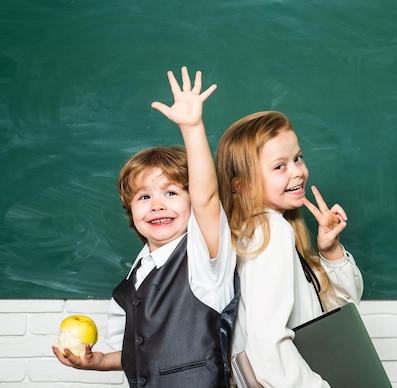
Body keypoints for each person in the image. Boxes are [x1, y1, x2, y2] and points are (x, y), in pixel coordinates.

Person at [52, 67, 238, 387]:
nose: (157, 204)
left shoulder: (204, 255)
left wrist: (191, 127)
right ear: (131, 210)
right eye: (144, 196)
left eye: (171, 192)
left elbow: (207, 198)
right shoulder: (137, 273)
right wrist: (95, 362)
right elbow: (140, 354)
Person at [216, 111, 364, 387]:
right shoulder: (271, 233)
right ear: (244, 185)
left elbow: (340, 312)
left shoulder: (265, 230)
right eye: (279, 166)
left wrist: (330, 251)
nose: (298, 171)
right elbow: (268, 342)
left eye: (297, 158)